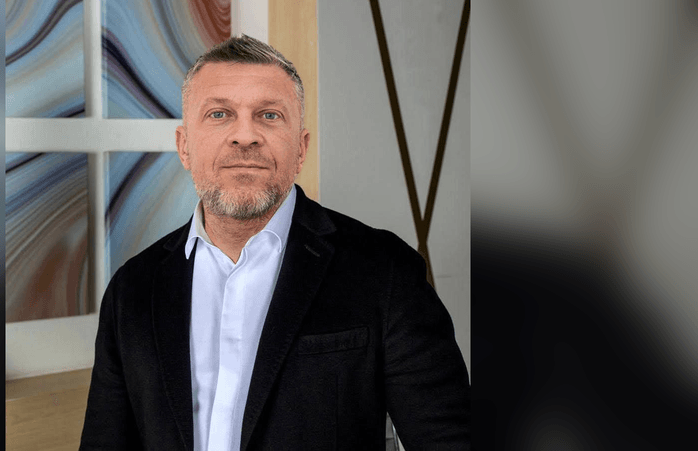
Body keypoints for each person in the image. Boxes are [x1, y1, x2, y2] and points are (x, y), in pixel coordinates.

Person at [80, 34, 469, 450]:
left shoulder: (385, 271)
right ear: (184, 146)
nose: (244, 135)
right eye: (219, 114)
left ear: (301, 148)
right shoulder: (131, 290)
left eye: (268, 115)